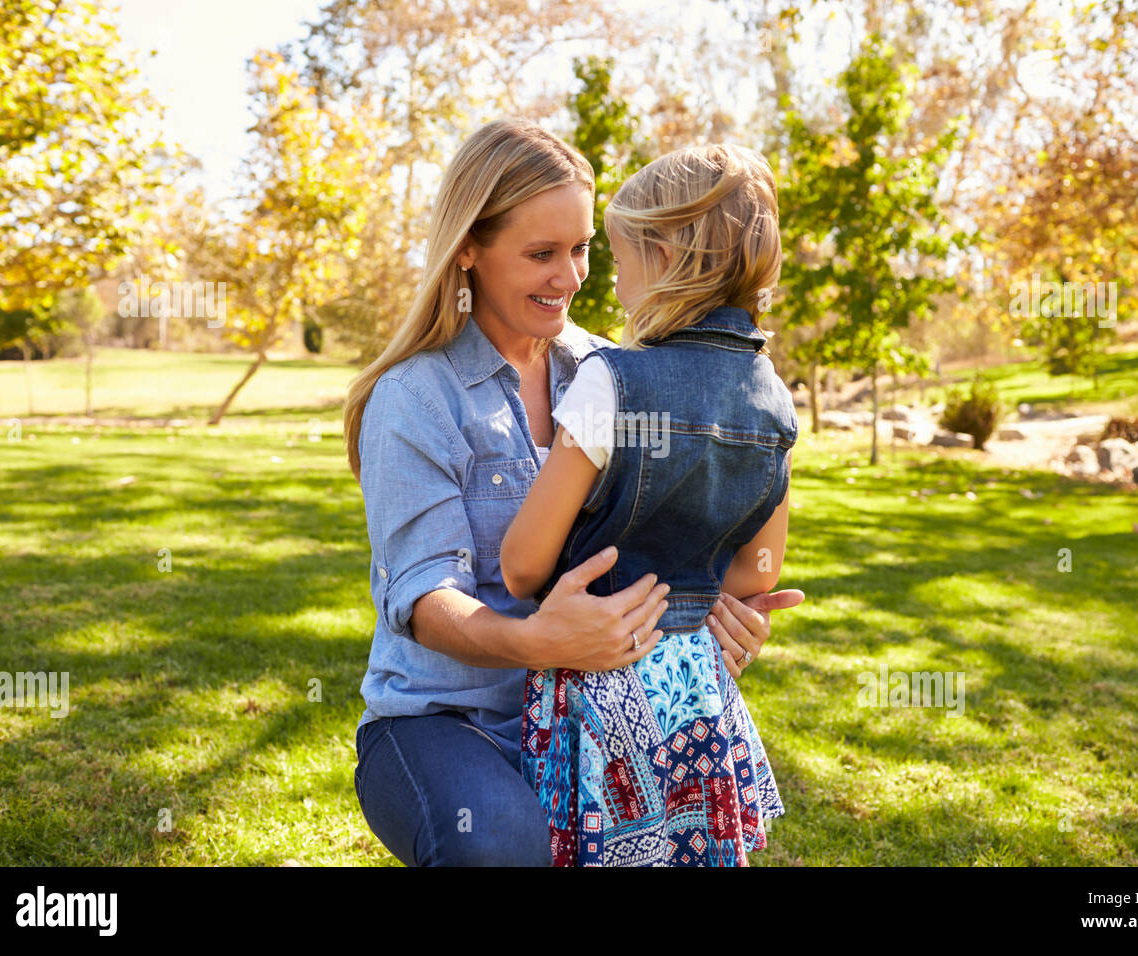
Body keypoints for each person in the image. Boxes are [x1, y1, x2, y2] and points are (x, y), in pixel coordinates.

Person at [342, 119, 803, 867]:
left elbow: (689, 539)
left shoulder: (619, 372)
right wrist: (534, 641)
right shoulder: (416, 398)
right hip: (449, 720)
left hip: (597, 717)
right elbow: (425, 597)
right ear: (469, 250)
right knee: (498, 844)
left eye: (584, 249)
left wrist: (714, 616)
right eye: (540, 254)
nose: (571, 276)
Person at [499, 143, 797, 866]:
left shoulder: (611, 382)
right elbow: (756, 576)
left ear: (663, 258)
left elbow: (522, 565)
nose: (610, 278)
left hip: (600, 685)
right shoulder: (773, 398)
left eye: (621, 256)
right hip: (696, 692)